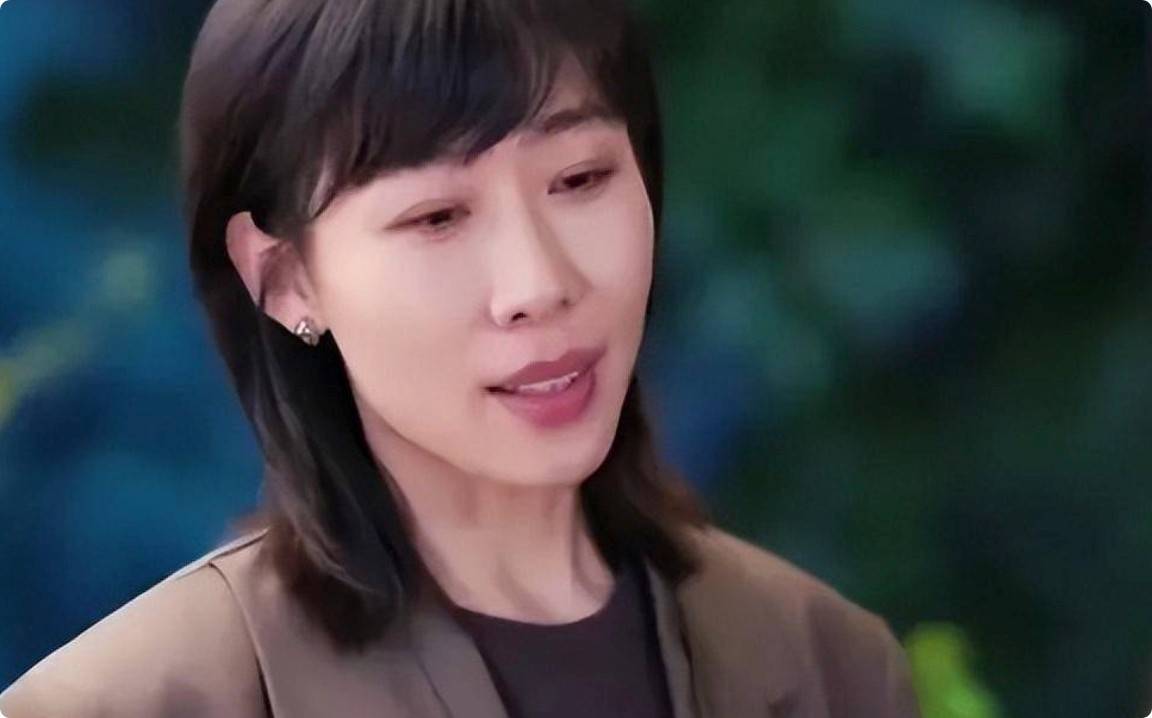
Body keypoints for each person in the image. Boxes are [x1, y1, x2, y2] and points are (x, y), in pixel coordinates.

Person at [0, 0, 923, 716]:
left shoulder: (829, 665)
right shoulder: (135, 702)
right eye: (437, 217)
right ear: (284, 278)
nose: (540, 283)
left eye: (581, 179)